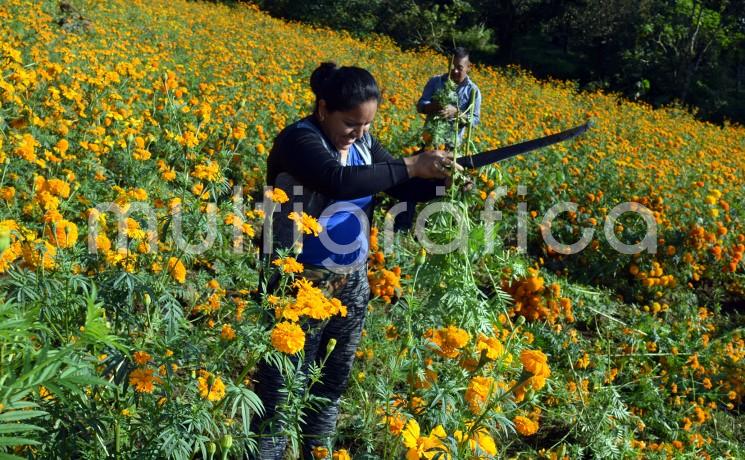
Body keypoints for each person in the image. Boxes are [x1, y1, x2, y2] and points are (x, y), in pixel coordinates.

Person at [252, 62, 457, 459]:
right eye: (351, 123)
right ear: (324, 108)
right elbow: (337, 181)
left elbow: (397, 183)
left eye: (366, 125)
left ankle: (318, 452)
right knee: (281, 386)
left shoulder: (363, 144)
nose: (360, 133)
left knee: (331, 380)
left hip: (351, 278)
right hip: (298, 280)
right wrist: (412, 163)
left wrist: (439, 179)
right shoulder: (300, 140)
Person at [417, 46, 481, 140]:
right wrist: (434, 106)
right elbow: (420, 106)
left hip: (452, 145)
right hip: (429, 139)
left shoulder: (473, 91)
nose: (454, 71)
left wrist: (456, 113)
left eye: (459, 68)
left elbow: (475, 120)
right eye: (452, 66)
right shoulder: (435, 81)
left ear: (468, 67)